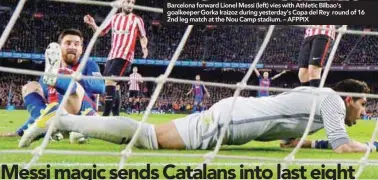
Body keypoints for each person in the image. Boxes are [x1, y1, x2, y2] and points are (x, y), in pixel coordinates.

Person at [19, 79, 375, 153]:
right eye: (364, 104)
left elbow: (291, 140)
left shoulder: (320, 103)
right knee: (148, 139)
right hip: (231, 122)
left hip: (235, 114)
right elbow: (344, 149)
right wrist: (372, 147)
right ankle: (61, 121)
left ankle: (61, 122)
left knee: (147, 135)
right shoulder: (331, 99)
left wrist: (312, 144)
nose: (366, 111)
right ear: (350, 98)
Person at [15, 29, 105, 143]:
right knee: (31, 86)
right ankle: (50, 128)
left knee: (74, 86)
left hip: (81, 112)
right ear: (59, 47)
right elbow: (42, 107)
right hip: (55, 114)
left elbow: (100, 87)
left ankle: (55, 127)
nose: (72, 47)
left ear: (81, 49)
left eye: (76, 44)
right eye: (68, 43)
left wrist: (79, 77)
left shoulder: (89, 64)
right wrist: (21, 131)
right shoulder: (47, 74)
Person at [84, 0, 148, 117]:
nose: (130, 4)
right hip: (112, 55)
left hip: (125, 56)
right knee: (114, 85)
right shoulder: (114, 18)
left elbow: (143, 37)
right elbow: (101, 32)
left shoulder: (137, 20)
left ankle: (106, 115)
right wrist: (93, 24)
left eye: (133, 2)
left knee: (109, 81)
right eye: (128, 1)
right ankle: (116, 115)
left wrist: (144, 47)